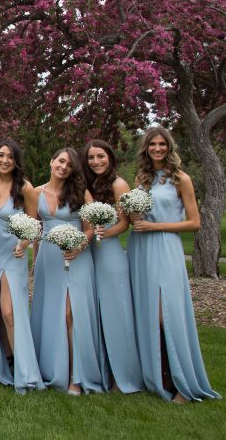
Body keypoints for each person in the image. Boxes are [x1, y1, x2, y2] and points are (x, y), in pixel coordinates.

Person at [128, 126, 219, 403]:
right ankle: (158, 377)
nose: (157, 148)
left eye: (162, 144)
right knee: (145, 313)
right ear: (146, 148)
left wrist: (156, 226)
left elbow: (194, 222)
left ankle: (182, 383)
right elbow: (136, 216)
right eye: (152, 144)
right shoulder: (141, 179)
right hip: (139, 248)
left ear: (169, 147)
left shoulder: (181, 179)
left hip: (166, 247)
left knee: (165, 315)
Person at [30, 147, 103, 394]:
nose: (63, 167)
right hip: (47, 262)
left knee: (71, 316)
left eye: (69, 165)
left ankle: (76, 377)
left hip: (76, 258)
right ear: (51, 162)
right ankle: (51, 369)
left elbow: (90, 229)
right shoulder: (37, 192)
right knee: (50, 314)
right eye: (60, 161)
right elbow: (35, 230)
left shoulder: (81, 193)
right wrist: (35, 260)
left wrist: (78, 247)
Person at [0, 139, 43, 393]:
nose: (5, 160)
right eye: (1, 155)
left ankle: (24, 371)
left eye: (10, 157)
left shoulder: (25, 188)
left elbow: (35, 225)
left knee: (9, 312)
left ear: (16, 161)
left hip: (12, 255)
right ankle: (6, 364)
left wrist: (24, 244)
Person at [81, 139, 143, 393]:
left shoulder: (119, 185)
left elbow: (124, 223)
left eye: (101, 157)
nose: (96, 161)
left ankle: (124, 377)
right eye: (91, 158)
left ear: (110, 158)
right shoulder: (85, 186)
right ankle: (101, 372)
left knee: (116, 316)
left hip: (109, 255)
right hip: (87, 254)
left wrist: (104, 233)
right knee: (95, 316)